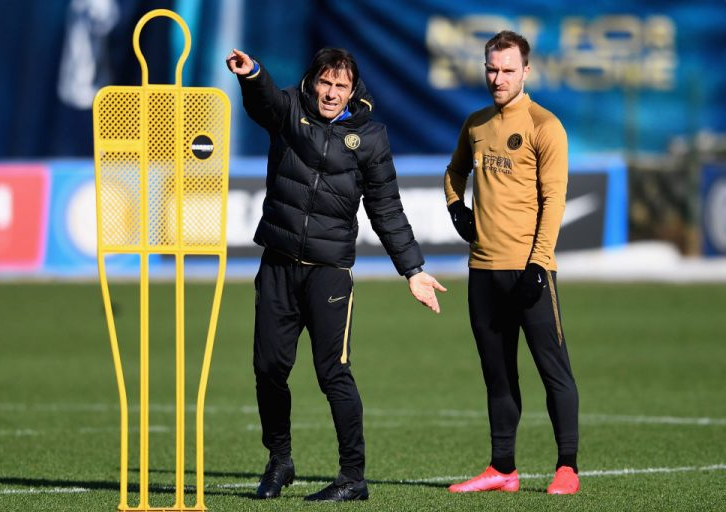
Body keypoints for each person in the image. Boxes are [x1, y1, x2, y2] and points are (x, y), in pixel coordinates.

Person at [226, 47, 446, 502]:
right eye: (324, 82)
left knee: (334, 374)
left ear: (352, 90)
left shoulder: (371, 137)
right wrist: (252, 75)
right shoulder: (289, 109)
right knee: (268, 368)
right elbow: (263, 101)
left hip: (329, 274)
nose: (330, 93)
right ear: (312, 82)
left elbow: (387, 209)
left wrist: (413, 270)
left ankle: (352, 478)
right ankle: (280, 460)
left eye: (340, 86)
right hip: (278, 266)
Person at [443, 30, 580, 495]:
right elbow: (454, 171)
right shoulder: (476, 124)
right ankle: (503, 469)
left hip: (529, 271)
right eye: (491, 69)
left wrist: (538, 265)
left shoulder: (545, 125)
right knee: (497, 373)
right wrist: (456, 207)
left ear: (526, 71)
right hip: (482, 271)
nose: (498, 78)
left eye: (507, 70)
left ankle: (567, 467)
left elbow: (554, 200)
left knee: (553, 370)